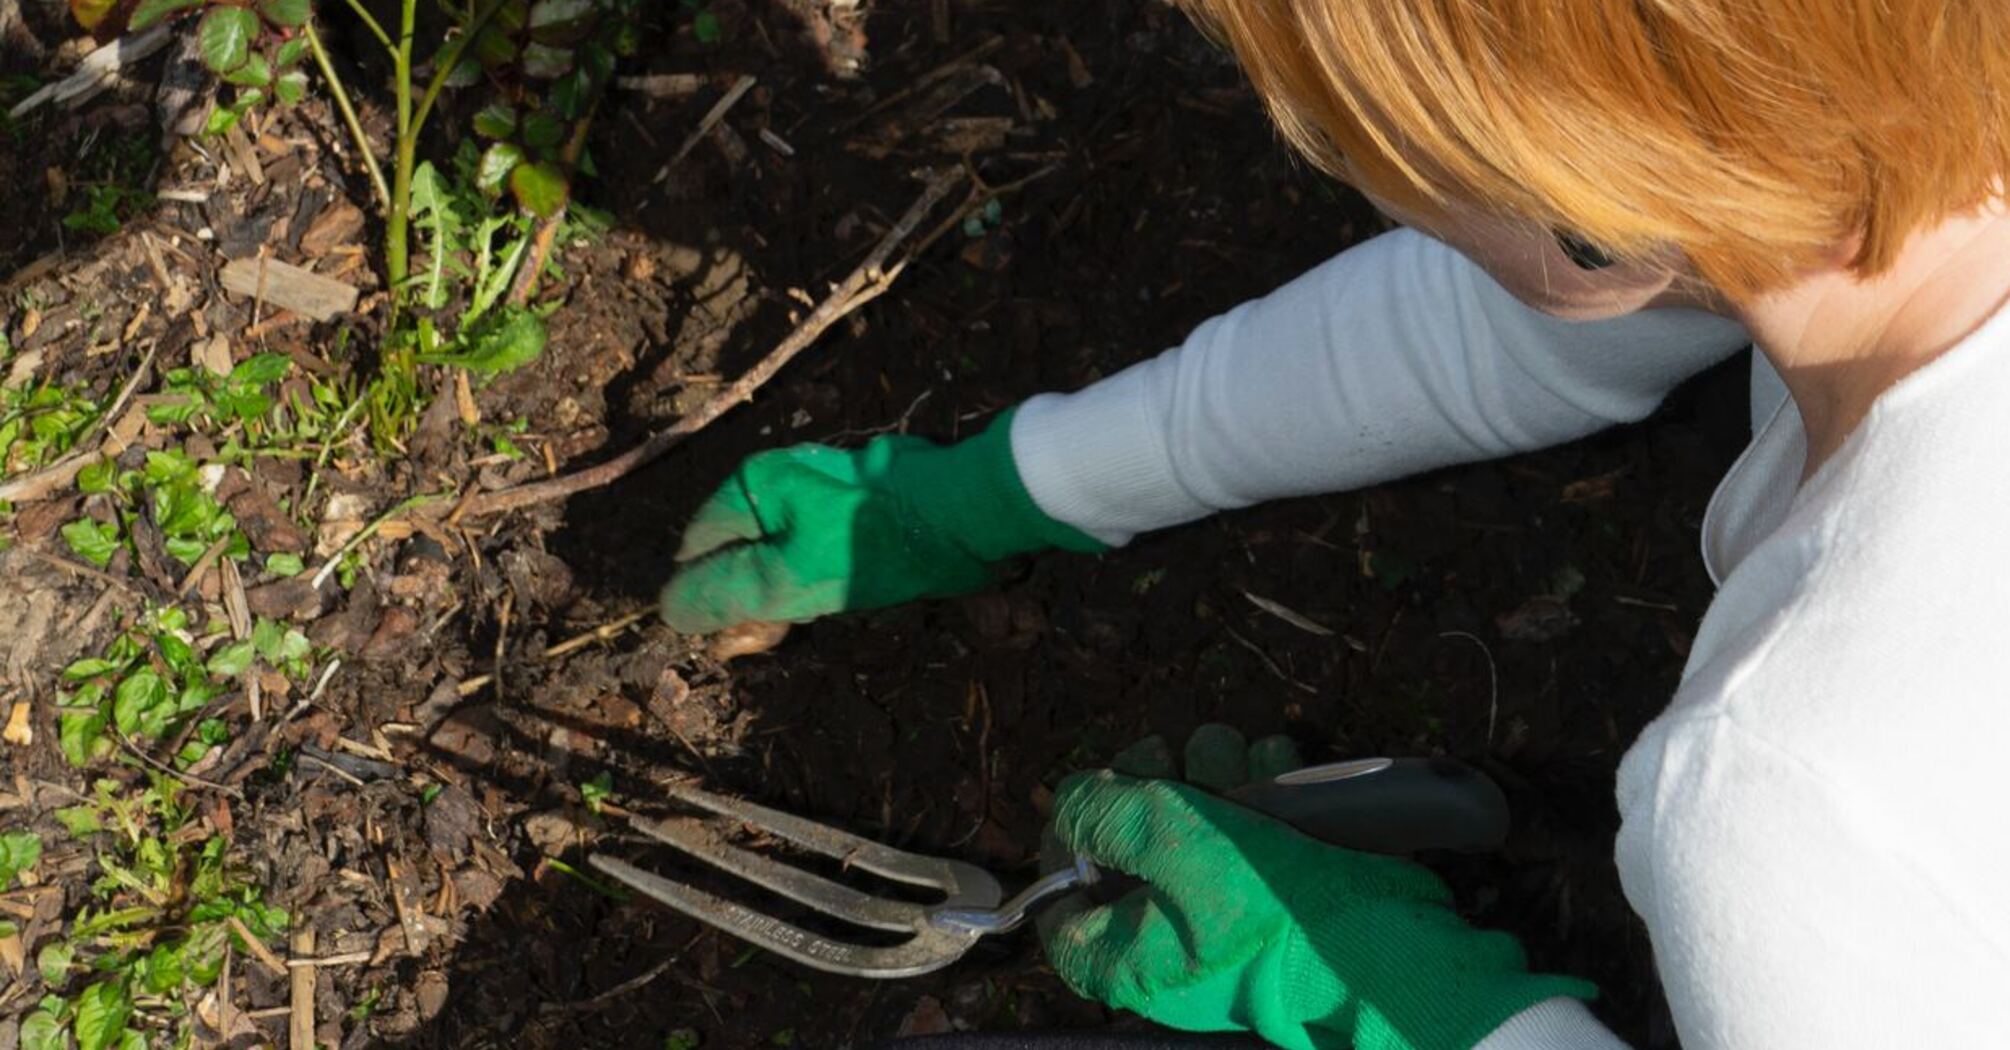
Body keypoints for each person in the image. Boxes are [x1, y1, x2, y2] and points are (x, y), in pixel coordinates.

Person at [658, 2, 2010, 1048]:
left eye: (1345, 138)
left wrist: (1387, 990)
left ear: (1577, 199)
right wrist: (1018, 484)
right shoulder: (1889, 139)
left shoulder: (1785, 793)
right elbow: (1544, 310)